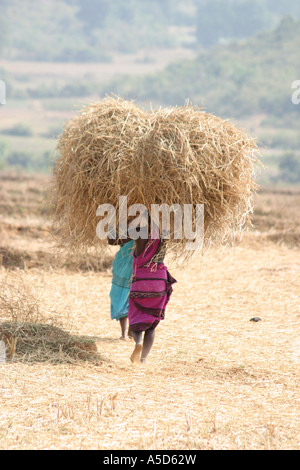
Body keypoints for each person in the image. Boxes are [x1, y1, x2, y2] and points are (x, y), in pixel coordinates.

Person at [128, 223, 176, 364]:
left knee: (135, 322)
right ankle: (143, 360)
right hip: (159, 282)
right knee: (152, 325)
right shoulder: (164, 234)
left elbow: (116, 237)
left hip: (141, 282)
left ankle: (137, 342)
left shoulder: (140, 234)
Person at [108, 236, 134, 340]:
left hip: (136, 263)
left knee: (127, 296)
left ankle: (127, 333)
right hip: (124, 262)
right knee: (122, 295)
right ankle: (126, 333)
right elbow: (111, 240)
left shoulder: (145, 227)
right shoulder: (122, 224)